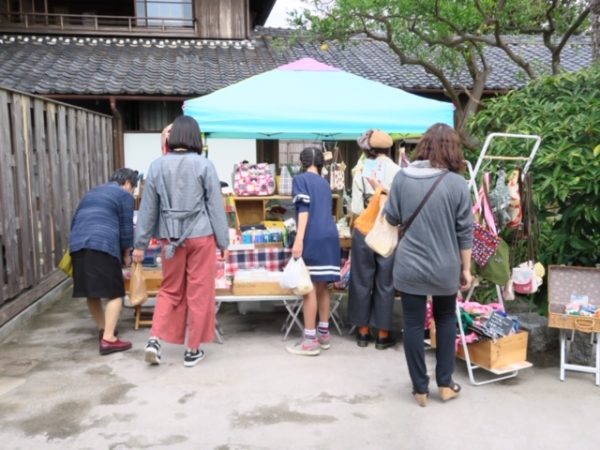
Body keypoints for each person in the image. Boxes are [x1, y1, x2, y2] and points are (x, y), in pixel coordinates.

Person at [383, 123, 473, 407]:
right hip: (445, 265)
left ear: (424, 146)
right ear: (452, 149)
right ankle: (445, 384)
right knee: (445, 320)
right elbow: (465, 233)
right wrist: (466, 269)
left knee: (412, 323)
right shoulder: (458, 184)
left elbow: (393, 218)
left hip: (409, 264)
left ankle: (419, 389)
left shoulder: (401, 179)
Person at [132, 115, 228, 368]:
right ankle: (192, 350)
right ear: (195, 138)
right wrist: (224, 242)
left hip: (170, 239)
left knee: (169, 290)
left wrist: (139, 245)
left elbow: (147, 209)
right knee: (199, 292)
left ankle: (154, 339)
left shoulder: (156, 166)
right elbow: (216, 207)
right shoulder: (205, 165)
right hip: (201, 236)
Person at [69, 168, 138, 355]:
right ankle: (109, 340)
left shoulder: (92, 192)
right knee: (116, 293)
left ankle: (105, 330)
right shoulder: (124, 195)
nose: (132, 192)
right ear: (128, 183)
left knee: (92, 292)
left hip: (78, 244)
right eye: (134, 188)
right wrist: (127, 254)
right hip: (102, 244)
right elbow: (126, 229)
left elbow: (74, 221)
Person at [347, 130, 400, 349]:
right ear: (388, 149)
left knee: (361, 278)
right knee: (385, 281)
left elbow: (356, 208)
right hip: (387, 226)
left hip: (365, 227)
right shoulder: (398, 171)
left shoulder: (360, 171)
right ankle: (383, 334)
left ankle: (363, 332)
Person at [286, 147, 341, 356]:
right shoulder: (325, 184)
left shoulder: (301, 180)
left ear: (302, 162)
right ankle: (324, 335)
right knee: (322, 287)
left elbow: (304, 210)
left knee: (308, 288)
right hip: (330, 236)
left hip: (312, 236)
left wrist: (298, 239)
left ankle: (309, 340)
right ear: (321, 163)